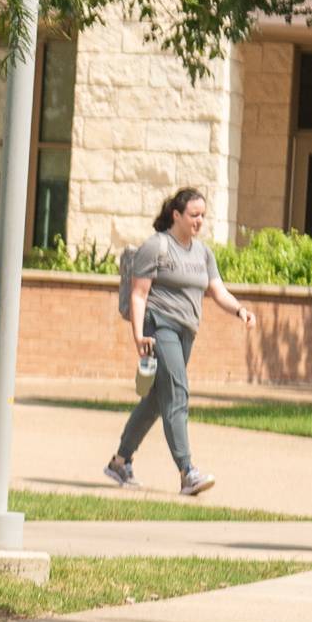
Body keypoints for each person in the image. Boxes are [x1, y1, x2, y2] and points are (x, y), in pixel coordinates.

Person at [105, 187, 258, 497]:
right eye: (193, 215)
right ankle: (187, 472)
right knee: (177, 393)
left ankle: (120, 461)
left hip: (186, 332)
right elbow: (139, 294)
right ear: (176, 215)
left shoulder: (203, 253)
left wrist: (240, 309)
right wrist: (138, 335)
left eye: (202, 215)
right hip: (159, 326)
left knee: (155, 401)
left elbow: (217, 290)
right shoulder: (157, 247)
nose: (199, 221)